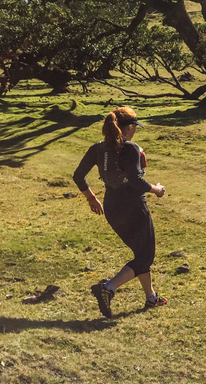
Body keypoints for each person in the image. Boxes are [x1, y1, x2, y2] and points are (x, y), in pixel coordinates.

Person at [73, 106, 167, 318]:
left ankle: (151, 298)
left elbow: (78, 175)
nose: (135, 130)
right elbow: (135, 180)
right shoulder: (130, 147)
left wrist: (91, 198)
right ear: (128, 127)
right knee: (145, 257)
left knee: (140, 255)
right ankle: (108, 288)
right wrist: (156, 189)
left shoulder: (97, 148)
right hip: (133, 206)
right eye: (134, 126)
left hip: (112, 207)